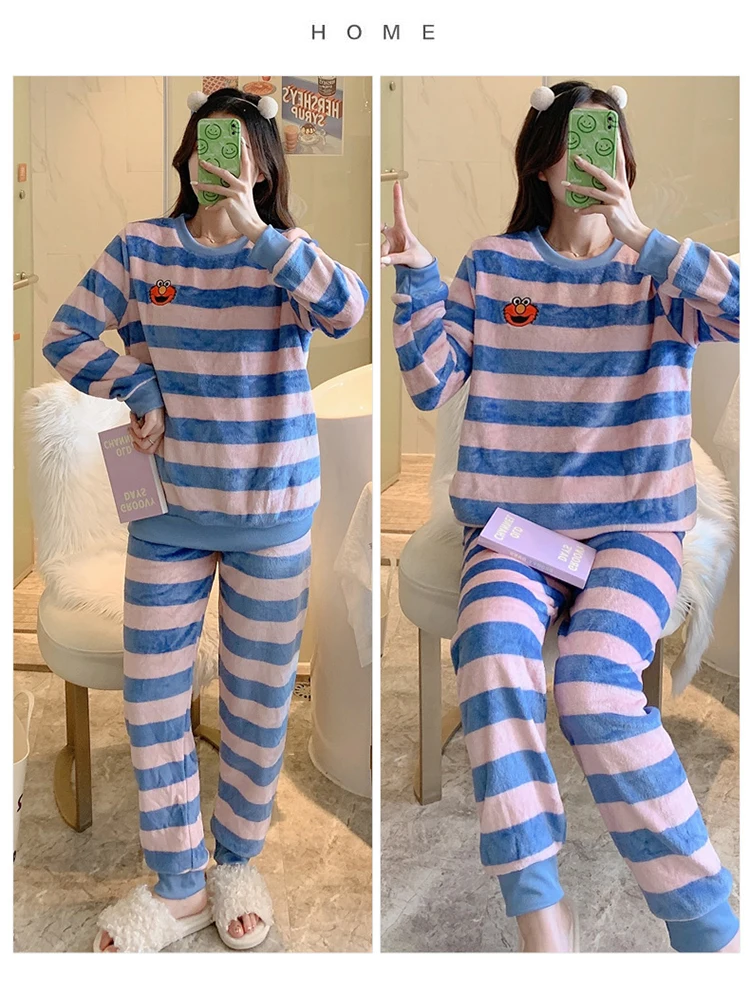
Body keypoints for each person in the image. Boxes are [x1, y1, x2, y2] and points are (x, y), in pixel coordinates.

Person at [382, 80, 739, 953]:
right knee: (493, 652)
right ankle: (544, 921)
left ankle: (708, 926)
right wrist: (416, 278)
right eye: (573, 144)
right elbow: (430, 382)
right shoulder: (492, 266)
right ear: (541, 163)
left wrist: (643, 237)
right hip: (515, 530)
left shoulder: (657, 272)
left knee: (592, 682)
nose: (590, 160)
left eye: (604, 142)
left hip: (635, 526)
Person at [42, 87, 368, 952]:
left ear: (264, 164)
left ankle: (237, 862)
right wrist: (137, 384)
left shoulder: (285, 253)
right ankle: (179, 881)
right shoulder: (140, 246)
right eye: (205, 143)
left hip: (272, 509)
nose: (217, 160)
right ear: (186, 154)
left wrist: (260, 229)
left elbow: (349, 311)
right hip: (165, 511)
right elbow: (66, 333)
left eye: (239, 148)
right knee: (154, 699)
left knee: (258, 701)